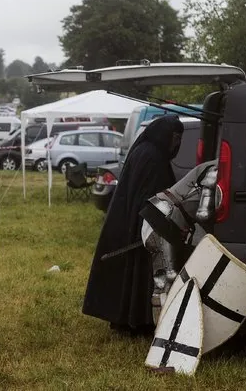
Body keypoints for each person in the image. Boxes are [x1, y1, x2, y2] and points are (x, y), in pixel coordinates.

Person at [82, 115, 184, 334]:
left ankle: (127, 319)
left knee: (132, 272)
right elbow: (148, 195)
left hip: (136, 220)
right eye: (174, 137)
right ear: (164, 134)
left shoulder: (148, 151)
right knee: (138, 271)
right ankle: (136, 320)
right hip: (141, 223)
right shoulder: (151, 156)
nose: (176, 143)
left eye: (179, 138)